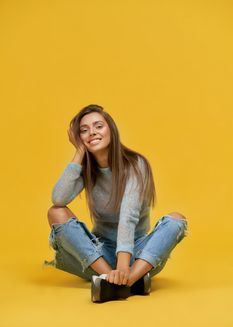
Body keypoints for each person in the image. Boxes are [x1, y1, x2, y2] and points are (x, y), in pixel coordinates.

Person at [43, 104, 189, 302]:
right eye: (84, 131)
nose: (92, 132)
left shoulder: (136, 164)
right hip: (98, 256)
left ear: (111, 129)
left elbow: (128, 217)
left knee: (176, 220)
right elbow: (58, 199)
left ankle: (117, 282)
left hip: (138, 257)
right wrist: (78, 152)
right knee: (55, 212)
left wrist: (123, 268)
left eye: (98, 126)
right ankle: (123, 281)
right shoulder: (87, 169)